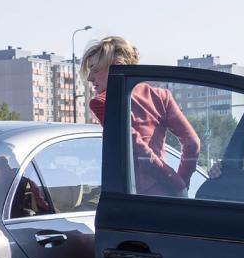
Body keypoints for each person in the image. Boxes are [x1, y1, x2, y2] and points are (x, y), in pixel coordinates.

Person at [82, 36, 200, 197]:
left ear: (116, 66)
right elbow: (192, 143)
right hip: (166, 196)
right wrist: (180, 185)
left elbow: (137, 150)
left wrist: (176, 183)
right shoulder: (160, 96)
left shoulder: (102, 102)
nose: (90, 78)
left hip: (133, 200)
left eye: (95, 69)